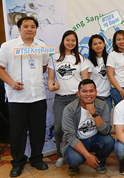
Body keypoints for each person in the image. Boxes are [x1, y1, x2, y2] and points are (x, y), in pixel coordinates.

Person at [0, 16, 54, 177]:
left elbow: (44, 66)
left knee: (38, 130)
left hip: (38, 96)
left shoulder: (42, 46)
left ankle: (36, 159)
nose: (29, 29)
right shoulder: (8, 46)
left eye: (33, 26)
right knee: (17, 132)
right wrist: (12, 83)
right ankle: (18, 163)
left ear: (36, 29)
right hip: (17, 97)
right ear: (19, 29)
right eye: (26, 26)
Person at [61, 79, 115, 174]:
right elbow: (70, 137)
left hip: (95, 138)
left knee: (109, 141)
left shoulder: (102, 105)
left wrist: (95, 114)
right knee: (74, 160)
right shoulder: (69, 109)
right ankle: (74, 166)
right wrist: (88, 156)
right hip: (78, 140)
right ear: (78, 93)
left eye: (91, 91)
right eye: (84, 91)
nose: (88, 94)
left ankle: (100, 162)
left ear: (96, 92)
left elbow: (105, 131)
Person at [49, 30, 83, 168]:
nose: (70, 43)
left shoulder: (80, 58)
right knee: (59, 129)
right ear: (63, 41)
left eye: (73, 40)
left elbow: (85, 80)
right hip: (60, 99)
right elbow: (50, 80)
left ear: (76, 43)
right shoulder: (55, 58)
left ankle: (76, 154)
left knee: (76, 129)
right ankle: (60, 155)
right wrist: (52, 87)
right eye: (68, 40)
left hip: (76, 98)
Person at [86, 34, 114, 122]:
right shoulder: (89, 61)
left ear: (104, 44)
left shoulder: (110, 57)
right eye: (95, 44)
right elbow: (87, 80)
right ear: (91, 47)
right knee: (95, 120)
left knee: (106, 121)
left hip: (108, 96)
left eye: (100, 43)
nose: (98, 46)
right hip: (96, 97)